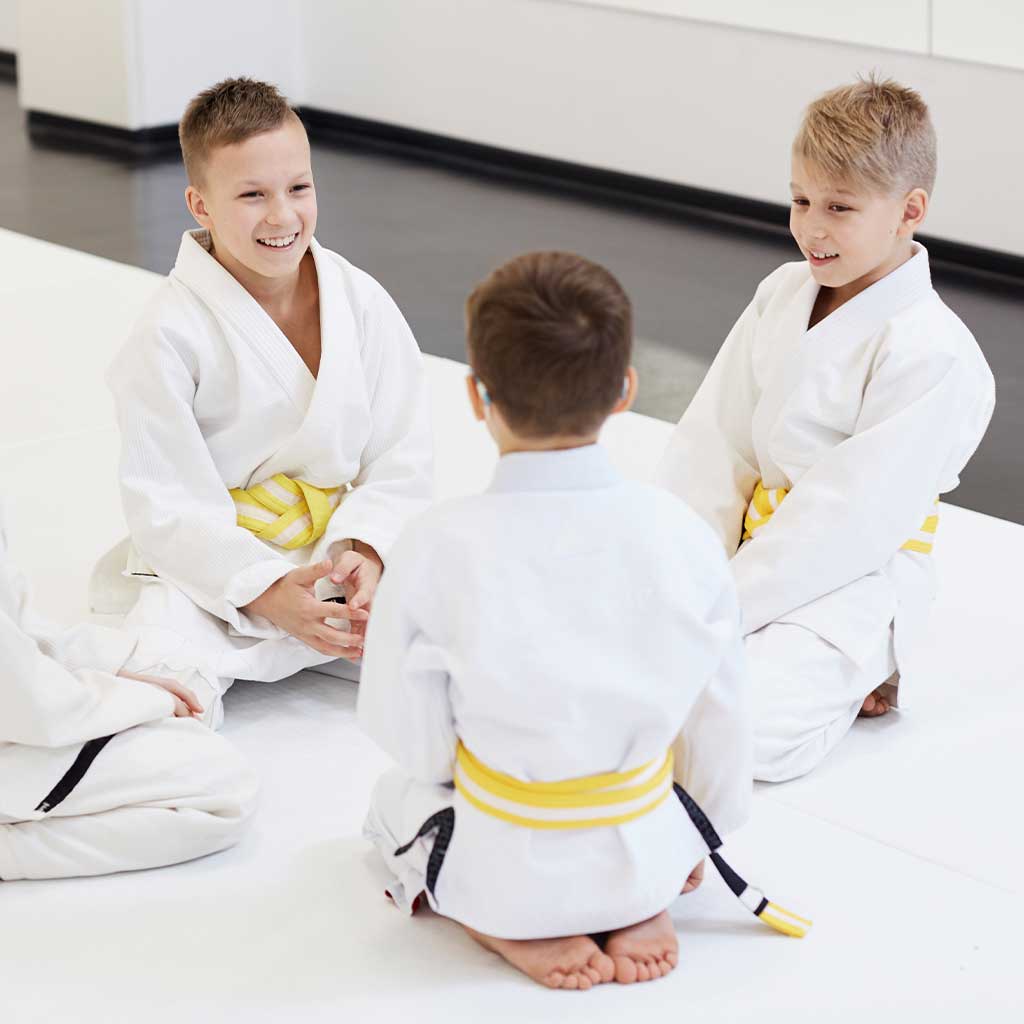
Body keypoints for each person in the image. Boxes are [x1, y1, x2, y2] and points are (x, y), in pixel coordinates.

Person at [359, 251, 760, 990]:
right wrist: (693, 833)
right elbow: (723, 718)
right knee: (660, 783)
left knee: (392, 800)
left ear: (478, 397)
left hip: (512, 858)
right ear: (626, 392)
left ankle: (498, 915)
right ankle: (640, 896)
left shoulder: (434, 544)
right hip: (645, 843)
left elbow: (409, 738)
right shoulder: (682, 535)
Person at [656, 77, 995, 781]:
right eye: (801, 200)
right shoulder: (782, 292)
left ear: (910, 211)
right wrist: (690, 575)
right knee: (618, 656)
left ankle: (870, 662)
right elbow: (715, 442)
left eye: (840, 208)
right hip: (748, 551)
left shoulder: (934, 351)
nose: (813, 227)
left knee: (727, 734)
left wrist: (720, 612)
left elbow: (850, 521)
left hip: (851, 575)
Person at [92, 78, 432, 727]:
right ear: (201, 205)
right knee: (165, 678)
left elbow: (402, 453)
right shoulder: (166, 335)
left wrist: (367, 546)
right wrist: (270, 592)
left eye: (298, 188)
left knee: (470, 632)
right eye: (252, 195)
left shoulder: (358, 300)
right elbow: (167, 507)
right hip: (223, 573)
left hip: (334, 554)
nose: (282, 217)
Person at [0, 508, 256, 880]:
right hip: (27, 710)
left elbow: (15, 623)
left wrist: (107, 664)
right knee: (223, 791)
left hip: (25, 696)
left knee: (183, 677)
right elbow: (34, 708)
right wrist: (144, 700)